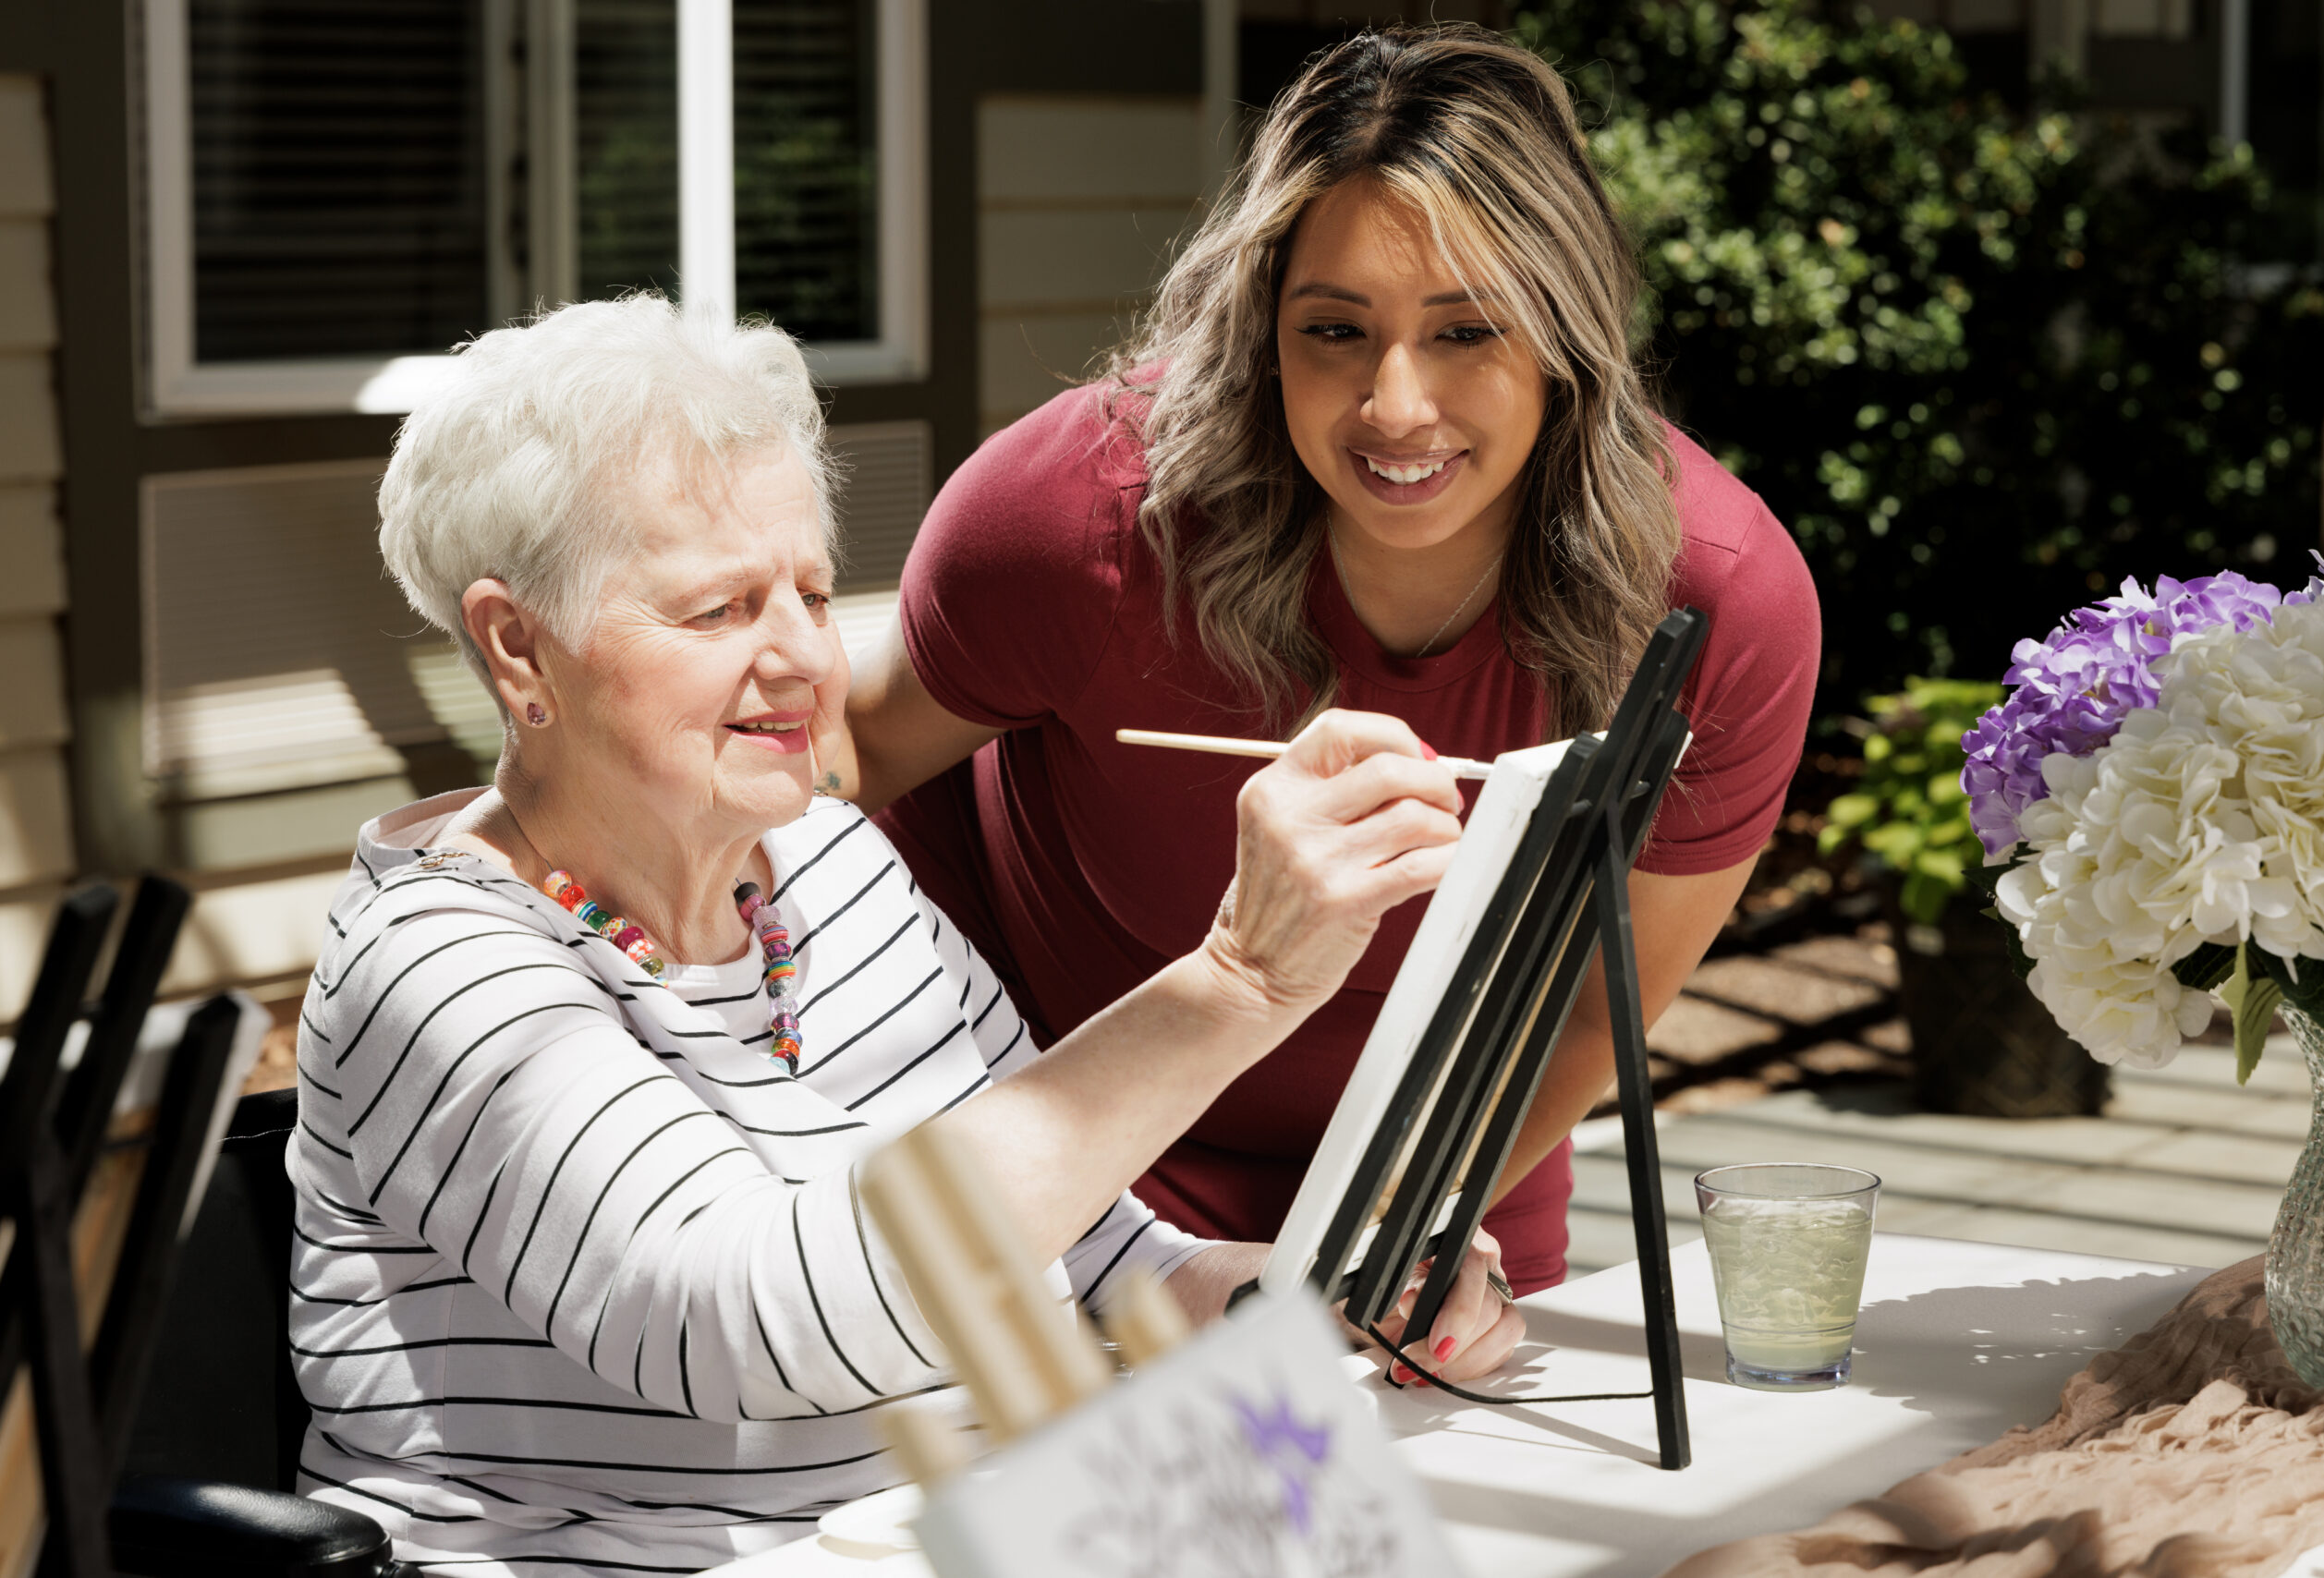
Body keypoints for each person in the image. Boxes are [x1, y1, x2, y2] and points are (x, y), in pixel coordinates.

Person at [292, 296, 1518, 1578]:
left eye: (812, 594)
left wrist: (1320, 1293)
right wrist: (1237, 985)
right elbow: (762, 1326)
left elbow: (1096, 1255)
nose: (802, 663)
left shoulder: (828, 860)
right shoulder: (438, 966)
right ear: (516, 646)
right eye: (718, 612)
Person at [841, 25, 1820, 1296]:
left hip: (1443, 1185)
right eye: (1336, 331)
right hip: (1058, 1191)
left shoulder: (1720, 604)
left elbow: (1592, 1009)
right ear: (1262, 329)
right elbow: (839, 772)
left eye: (1467, 331)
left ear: (1567, 337)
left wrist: (1396, 1239)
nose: (1395, 407)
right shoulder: (1074, 518)